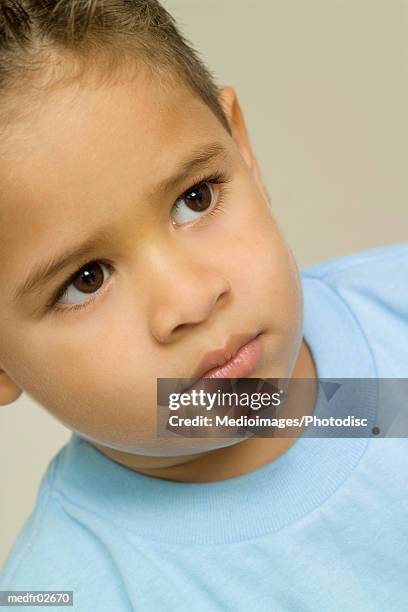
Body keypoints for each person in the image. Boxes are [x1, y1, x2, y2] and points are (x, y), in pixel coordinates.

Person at [0, 1, 406, 610]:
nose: (190, 300)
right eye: (86, 279)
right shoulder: (69, 590)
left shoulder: (395, 316)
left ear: (242, 150)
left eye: (194, 198)